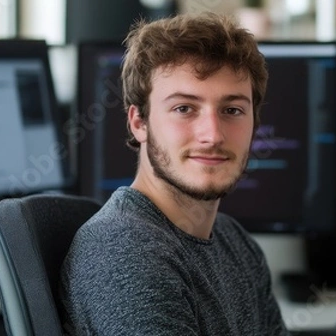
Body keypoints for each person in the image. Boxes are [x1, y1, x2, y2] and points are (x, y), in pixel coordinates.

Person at [59, 12, 290, 335]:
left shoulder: (234, 241)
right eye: (184, 108)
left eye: (232, 110)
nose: (213, 135)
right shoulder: (125, 250)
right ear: (138, 122)